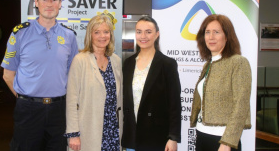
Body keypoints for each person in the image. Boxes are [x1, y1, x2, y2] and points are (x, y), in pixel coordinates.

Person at [1, 0, 78, 151]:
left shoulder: (69, 36)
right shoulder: (19, 34)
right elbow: (8, 75)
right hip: (28, 110)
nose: (49, 4)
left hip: (59, 110)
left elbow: (72, 74)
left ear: (60, 3)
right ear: (36, 2)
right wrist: (26, 99)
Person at [190, 14, 252, 151]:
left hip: (222, 141)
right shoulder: (208, 64)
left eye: (216, 32)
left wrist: (227, 142)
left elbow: (241, 106)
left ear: (227, 36)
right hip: (202, 135)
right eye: (207, 32)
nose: (211, 37)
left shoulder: (238, 62)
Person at [121, 16, 181, 151]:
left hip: (157, 136)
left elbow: (175, 104)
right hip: (132, 136)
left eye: (148, 32)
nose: (143, 36)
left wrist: (173, 137)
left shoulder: (168, 64)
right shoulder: (128, 63)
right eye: (139, 31)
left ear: (156, 34)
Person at [65, 15, 123, 151]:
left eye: (106, 31)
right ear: (90, 35)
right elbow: (72, 101)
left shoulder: (116, 61)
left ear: (111, 34)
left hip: (112, 130)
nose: (102, 36)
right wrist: (73, 134)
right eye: (97, 32)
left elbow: (119, 99)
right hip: (88, 131)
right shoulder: (80, 60)